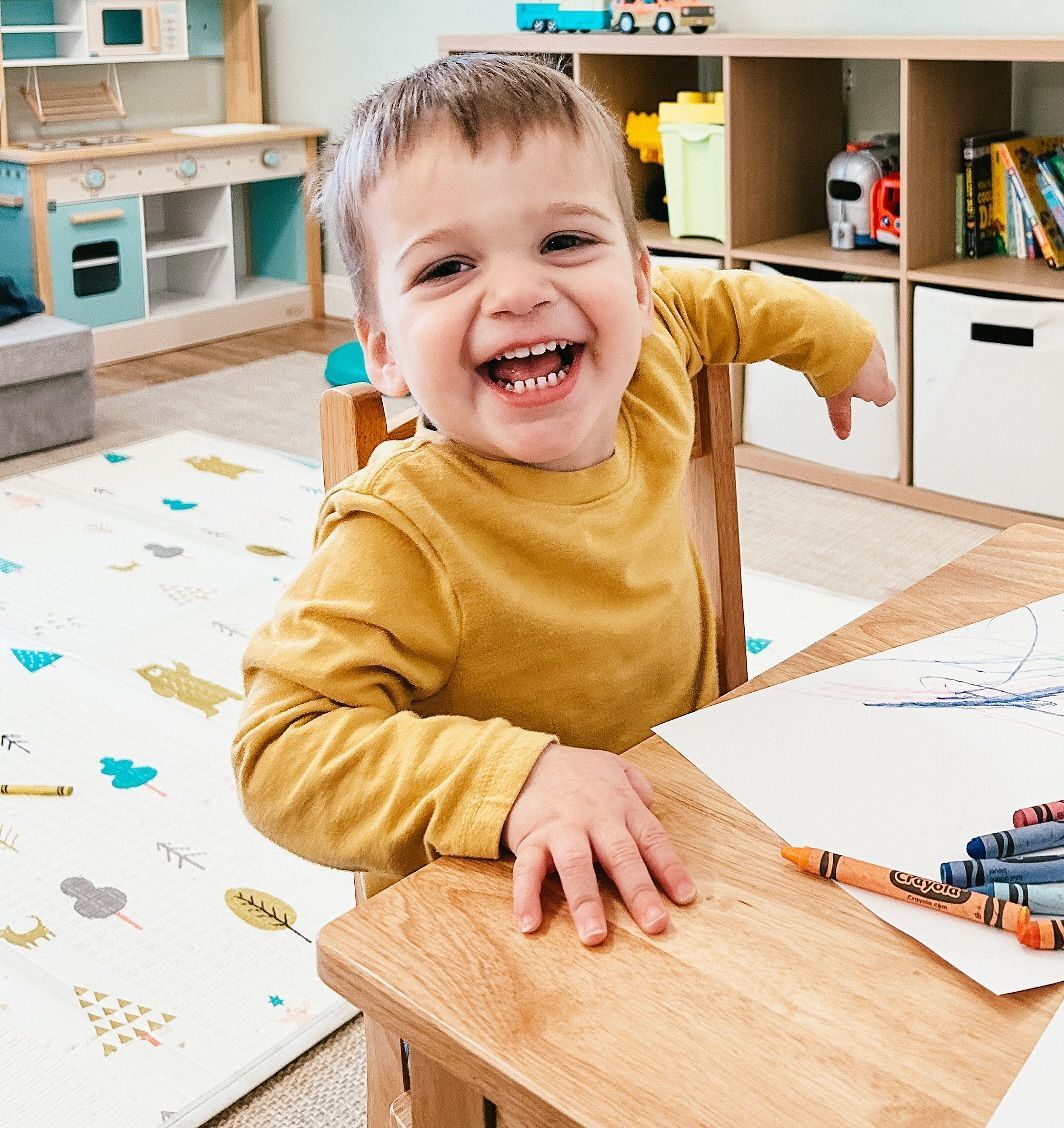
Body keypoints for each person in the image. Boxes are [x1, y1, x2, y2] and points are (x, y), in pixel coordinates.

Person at [233, 54, 894, 948]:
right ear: (383, 351)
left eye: (564, 243)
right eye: (447, 268)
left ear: (634, 278)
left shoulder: (650, 353)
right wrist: (514, 781)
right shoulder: (400, 531)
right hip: (510, 910)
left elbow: (717, 302)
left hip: (691, 813)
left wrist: (834, 339)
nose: (518, 292)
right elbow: (281, 754)